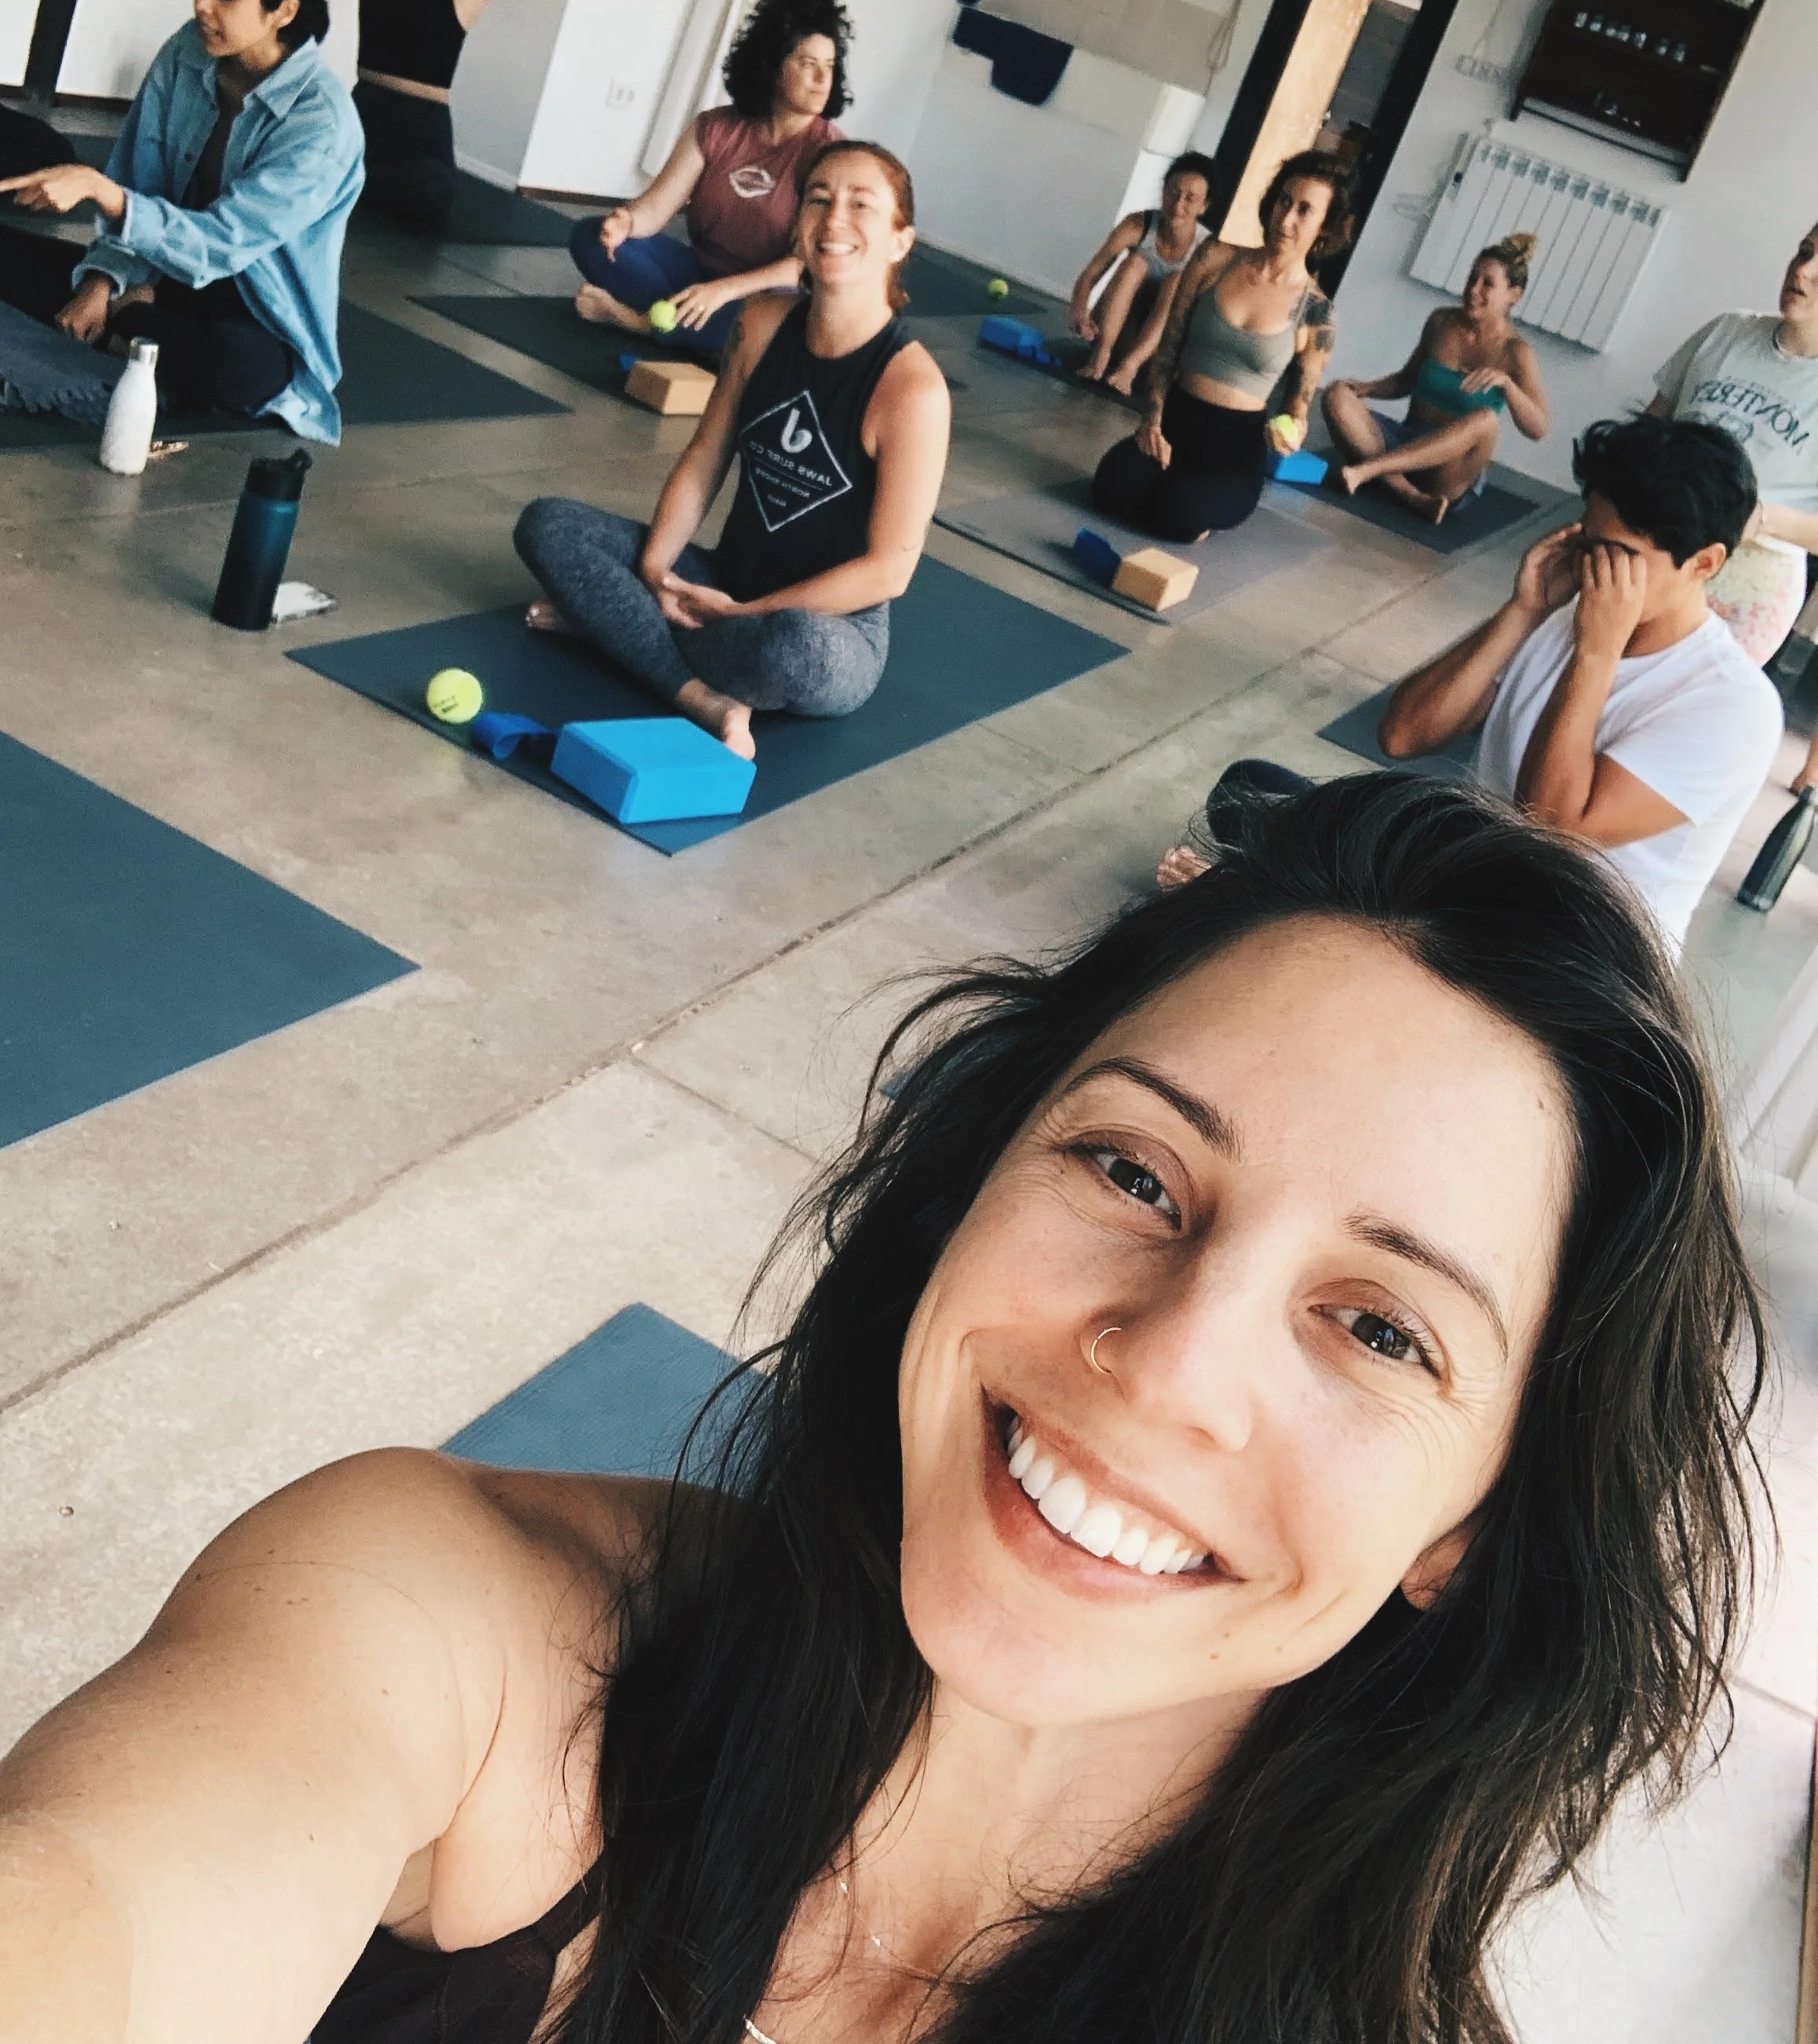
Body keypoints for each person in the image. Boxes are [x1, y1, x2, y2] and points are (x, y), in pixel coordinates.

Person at [0, 772, 1766, 2044]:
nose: (1167, 1364)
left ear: (1473, 1525)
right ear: (970, 1180)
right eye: (1132, 1171)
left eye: (1380, 1328)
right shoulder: (450, 1613)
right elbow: (96, 1910)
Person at [1163, 421, 1783, 952]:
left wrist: (1598, 652)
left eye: (1616, 555)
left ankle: (1284, 913)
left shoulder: (1734, 707)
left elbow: (1553, 831)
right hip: (1462, 879)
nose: (1592, 568)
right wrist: (1523, 611)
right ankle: (1304, 911)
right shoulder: (1563, 616)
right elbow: (1403, 734)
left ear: (1704, 563)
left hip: (1566, 952)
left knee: (1308, 868)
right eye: (1587, 541)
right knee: (1249, 790)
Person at [514, 142, 948, 759]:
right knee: (549, 525)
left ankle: (616, 627)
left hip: (829, 629)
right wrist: (656, 572)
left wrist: (742, 613)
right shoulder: (761, 323)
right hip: (719, 581)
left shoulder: (912, 390)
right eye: (818, 199)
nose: (834, 219)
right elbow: (704, 459)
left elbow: (888, 572)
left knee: (793, 651)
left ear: (900, 241)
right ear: (797, 224)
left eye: (861, 205)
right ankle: (699, 694)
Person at [0, 0, 361, 443]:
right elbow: (141, 182)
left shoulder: (322, 123)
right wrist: (101, 284)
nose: (201, 5)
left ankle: (132, 322)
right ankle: (134, 330)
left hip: (250, 306)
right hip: (161, 271)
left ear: (284, 11)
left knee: (237, 368)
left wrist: (104, 196)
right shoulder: (188, 51)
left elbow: (220, 243)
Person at [568, 0, 849, 361]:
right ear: (773, 65)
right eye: (808, 64)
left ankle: (638, 322)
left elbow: (802, 267)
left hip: (762, 292)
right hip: (697, 273)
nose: (822, 80)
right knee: (590, 238)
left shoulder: (831, 154)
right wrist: (625, 223)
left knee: (770, 323)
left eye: (829, 66)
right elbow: (655, 208)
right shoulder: (715, 128)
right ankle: (690, 331)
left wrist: (724, 292)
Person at [1090, 150, 1349, 544]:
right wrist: (1152, 420)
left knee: (1179, 513)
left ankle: (1191, 505)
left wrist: (1292, 434)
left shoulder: (1317, 313)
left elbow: (1298, 408)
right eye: (1284, 202)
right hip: (1174, 423)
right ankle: (1169, 493)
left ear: (1324, 229)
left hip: (1234, 451)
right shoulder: (1214, 258)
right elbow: (1169, 348)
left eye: (1304, 211)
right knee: (1111, 486)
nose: (1286, 219)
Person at [1648, 218, 1818, 790]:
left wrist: (1761, 518)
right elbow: (1651, 428)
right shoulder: (1726, 333)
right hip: (1661, 544)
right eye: (1804, 251)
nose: (1803, 271)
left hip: (1748, 584)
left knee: (1668, 725)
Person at [1323, 232, 1550, 524]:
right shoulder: (1441, 321)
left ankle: (1371, 470)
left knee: (1487, 421)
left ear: (1513, 295)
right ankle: (1407, 493)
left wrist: (1507, 385)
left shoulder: (1516, 352)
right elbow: (1407, 380)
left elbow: (1538, 429)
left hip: (1448, 474)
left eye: (1488, 284)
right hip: (1405, 443)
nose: (1473, 289)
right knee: (1336, 395)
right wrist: (1367, 388)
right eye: (1472, 278)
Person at [351, 0, 586, 226]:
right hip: (361, 117)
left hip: (420, 136)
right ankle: (355, 177)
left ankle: (354, 179)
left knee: (431, 193)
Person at [1067, 151, 1216, 394]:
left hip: (1157, 352)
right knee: (1135, 263)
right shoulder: (1137, 224)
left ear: (1204, 206)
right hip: (1116, 333)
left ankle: (1130, 367)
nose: (1178, 205)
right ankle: (1101, 355)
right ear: (1164, 190)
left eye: (1190, 199)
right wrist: (1078, 314)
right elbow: (1090, 275)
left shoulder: (1208, 250)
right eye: (1173, 193)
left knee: (1177, 280)